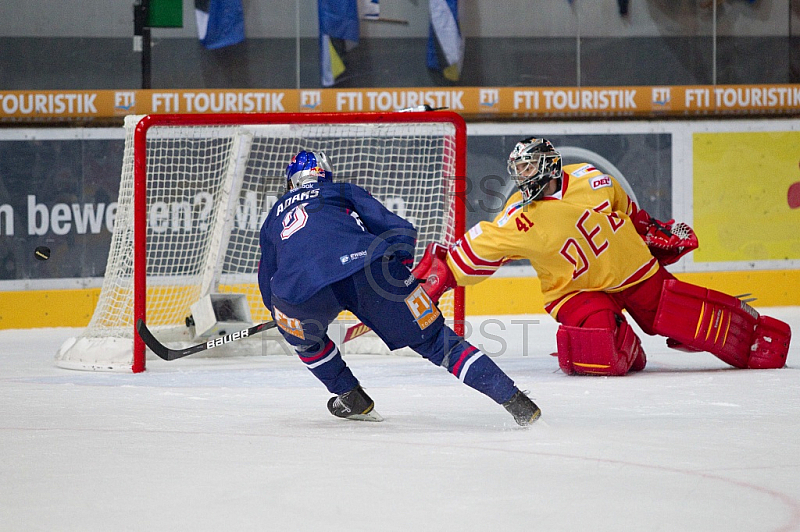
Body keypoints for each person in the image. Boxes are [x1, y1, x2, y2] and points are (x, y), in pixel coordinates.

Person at [414, 137, 791, 376]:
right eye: (518, 169)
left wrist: (656, 233)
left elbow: (632, 215)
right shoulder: (518, 216)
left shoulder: (593, 178)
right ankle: (629, 348)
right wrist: (440, 273)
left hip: (634, 273)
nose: (522, 175)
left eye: (528, 166)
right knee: (601, 352)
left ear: (548, 164)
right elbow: (477, 252)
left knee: (684, 315)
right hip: (574, 292)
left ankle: (757, 336)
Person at [257, 150, 540, 425]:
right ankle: (515, 401)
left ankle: (350, 395)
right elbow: (400, 230)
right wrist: (399, 272)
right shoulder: (341, 190)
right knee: (436, 341)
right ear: (325, 176)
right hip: (372, 269)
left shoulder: (272, 217)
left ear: (291, 182)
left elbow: (266, 277)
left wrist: (283, 318)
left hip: (297, 291)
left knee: (308, 343)